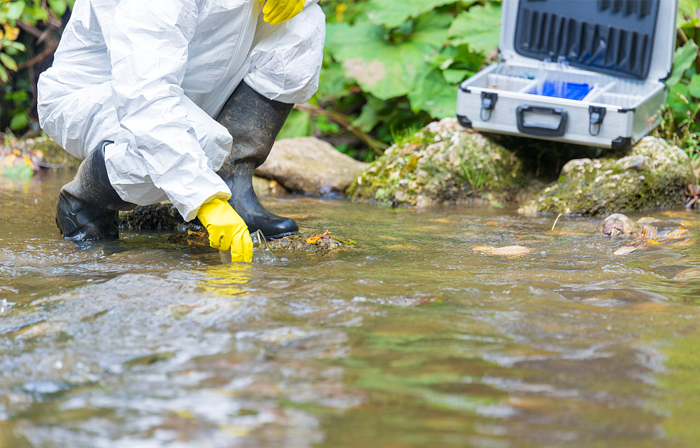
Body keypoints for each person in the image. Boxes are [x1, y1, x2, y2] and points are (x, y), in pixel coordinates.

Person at [38, 0, 325, 262]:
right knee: (200, 142)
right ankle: (85, 200)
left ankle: (232, 184)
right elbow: (145, 97)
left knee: (304, 21)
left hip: (194, 87)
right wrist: (204, 199)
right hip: (102, 93)